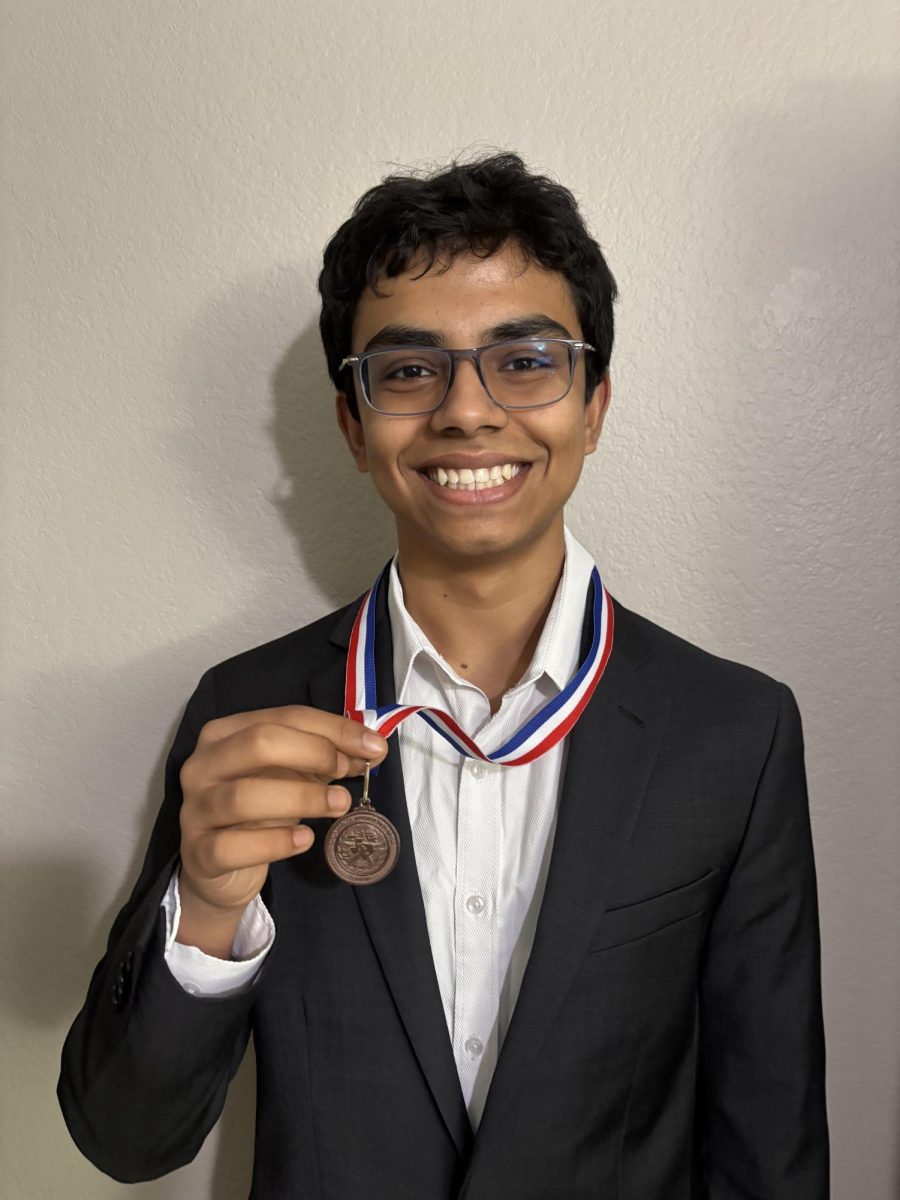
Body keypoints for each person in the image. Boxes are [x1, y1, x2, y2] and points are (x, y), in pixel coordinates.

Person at [58, 152, 829, 1198]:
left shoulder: (734, 731)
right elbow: (125, 1138)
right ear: (354, 428)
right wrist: (203, 909)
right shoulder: (247, 716)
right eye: (411, 370)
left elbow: (769, 1143)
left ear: (594, 405)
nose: (467, 412)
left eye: (525, 360)